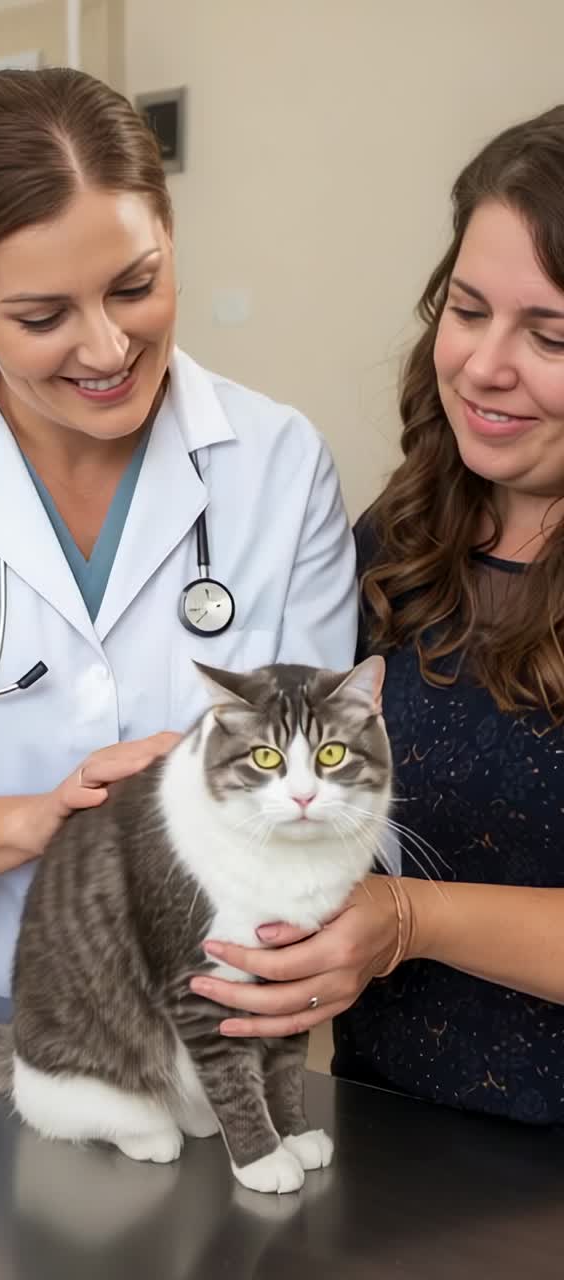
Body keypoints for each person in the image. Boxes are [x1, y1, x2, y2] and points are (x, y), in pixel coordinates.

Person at [0, 68, 356, 997]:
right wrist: (35, 819)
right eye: (43, 317)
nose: (108, 350)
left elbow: (323, 781)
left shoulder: (278, 464)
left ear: (169, 237)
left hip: (191, 1006)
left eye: (135, 286)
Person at [191, 105, 564, 1126]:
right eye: (468, 307)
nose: (486, 366)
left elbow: (395, 902)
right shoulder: (400, 537)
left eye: (551, 336)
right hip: (383, 1136)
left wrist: (410, 919)